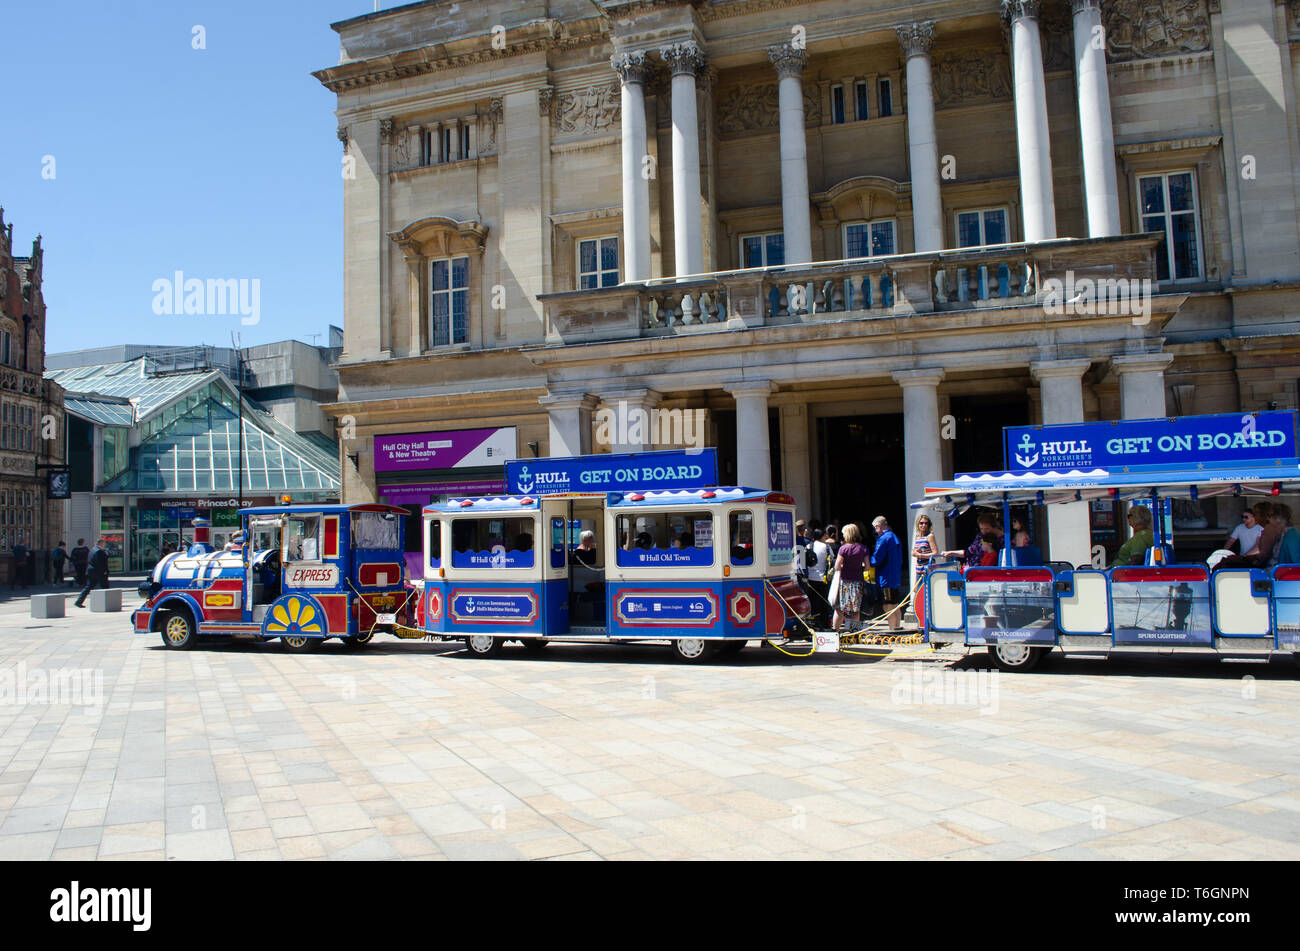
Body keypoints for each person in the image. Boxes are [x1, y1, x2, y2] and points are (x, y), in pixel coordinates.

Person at [831, 524, 870, 632]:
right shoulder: (863, 548)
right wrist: (858, 567)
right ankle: (854, 632)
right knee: (855, 610)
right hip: (857, 581)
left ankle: (835, 631)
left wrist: (845, 566)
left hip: (845, 581)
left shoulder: (843, 548)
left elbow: (837, 566)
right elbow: (867, 567)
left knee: (840, 609)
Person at [871, 516, 903, 631]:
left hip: (885, 577)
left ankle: (892, 629)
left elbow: (877, 558)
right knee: (895, 604)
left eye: (875, 528)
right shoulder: (894, 537)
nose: (875, 531)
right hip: (895, 576)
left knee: (888, 605)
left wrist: (867, 562)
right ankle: (897, 627)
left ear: (879, 526)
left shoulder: (883, 539)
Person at [808, 528, 833, 628]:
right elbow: (832, 559)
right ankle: (825, 622)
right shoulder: (826, 547)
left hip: (811, 578)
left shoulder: (809, 546)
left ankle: (815, 622)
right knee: (824, 602)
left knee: (813, 602)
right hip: (823, 578)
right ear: (822, 537)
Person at [74, 538, 110, 609]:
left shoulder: (92, 550)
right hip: (98, 571)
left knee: (89, 586)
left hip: (91, 571)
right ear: (101, 543)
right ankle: (107, 602)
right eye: (104, 543)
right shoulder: (99, 551)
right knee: (105, 587)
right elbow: (100, 563)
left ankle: (79, 601)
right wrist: (105, 571)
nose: (104, 545)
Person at [912, 514, 936, 582]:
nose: (923, 525)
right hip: (919, 569)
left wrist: (921, 555)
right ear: (918, 524)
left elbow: (935, 553)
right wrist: (915, 552)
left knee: (927, 590)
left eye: (926, 523)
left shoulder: (930, 536)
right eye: (921, 523)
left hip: (928, 568)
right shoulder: (917, 536)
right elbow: (914, 551)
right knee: (918, 590)